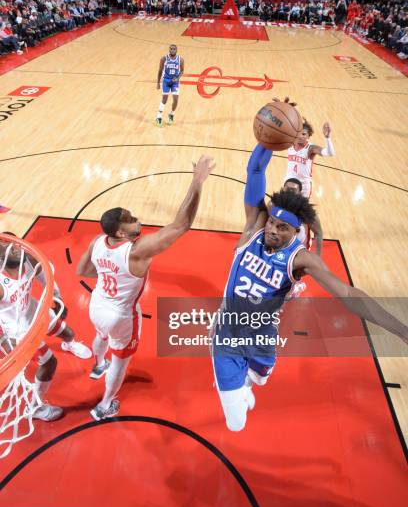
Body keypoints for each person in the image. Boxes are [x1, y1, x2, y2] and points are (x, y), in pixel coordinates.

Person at [211, 144, 407, 432]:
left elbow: (349, 295)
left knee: (259, 378)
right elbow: (254, 170)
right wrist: (266, 141)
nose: (273, 231)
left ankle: (248, 381)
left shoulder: (300, 259)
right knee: (236, 424)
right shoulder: (254, 227)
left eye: (282, 228)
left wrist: (401, 330)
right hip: (227, 331)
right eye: (273, 223)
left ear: (297, 232)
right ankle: (238, 387)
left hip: (262, 333)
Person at [77, 155, 215, 421]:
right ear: (119, 233)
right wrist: (198, 180)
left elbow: (82, 270)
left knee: (101, 335)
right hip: (121, 315)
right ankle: (105, 404)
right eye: (129, 218)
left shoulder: (98, 241)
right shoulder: (137, 251)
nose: (135, 217)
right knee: (121, 359)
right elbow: (181, 225)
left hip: (97, 305)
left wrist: (109, 271)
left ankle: (97, 365)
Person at [0, 234, 92, 421]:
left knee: (68, 333)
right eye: (10, 246)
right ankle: (35, 407)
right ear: (1, 255)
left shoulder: (28, 258)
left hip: (34, 310)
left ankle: (70, 345)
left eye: (17, 243)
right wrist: (4, 340)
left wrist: (56, 297)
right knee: (50, 363)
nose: (17, 248)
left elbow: (45, 277)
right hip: (19, 331)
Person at [285, 111, 334, 199]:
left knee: (299, 211)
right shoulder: (290, 143)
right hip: (288, 182)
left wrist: (327, 138)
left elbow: (330, 153)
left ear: (308, 136)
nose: (300, 136)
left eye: (304, 134)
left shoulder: (310, 148)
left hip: (304, 186)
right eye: (299, 133)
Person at [156, 44, 184, 127]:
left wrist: (178, 78)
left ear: (176, 50)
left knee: (175, 100)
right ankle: (159, 116)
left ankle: (171, 114)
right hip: (166, 81)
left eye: (174, 49)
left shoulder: (180, 59)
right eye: (171, 49)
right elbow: (160, 71)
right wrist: (158, 83)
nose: (172, 50)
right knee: (164, 99)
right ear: (169, 50)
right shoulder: (164, 59)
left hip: (175, 82)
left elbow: (182, 71)